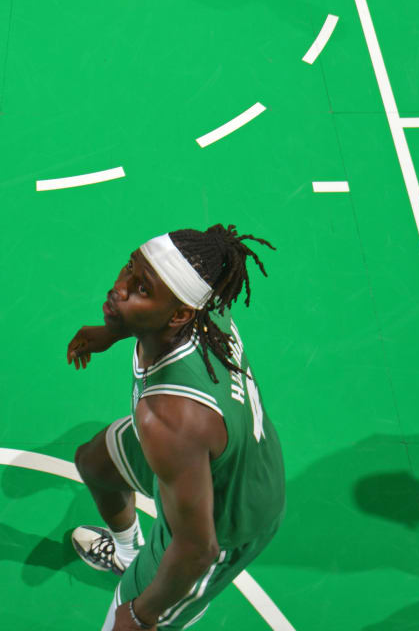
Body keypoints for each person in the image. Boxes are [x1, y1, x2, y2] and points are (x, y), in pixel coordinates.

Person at [66, 225, 285, 631]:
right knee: (95, 463)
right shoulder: (202, 302)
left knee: (121, 621)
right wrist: (113, 330)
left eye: (141, 289)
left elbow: (197, 549)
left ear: (180, 314)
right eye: (129, 267)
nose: (120, 288)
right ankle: (129, 554)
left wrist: (140, 614)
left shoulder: (167, 417)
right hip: (224, 456)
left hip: (226, 520)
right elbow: (149, 307)